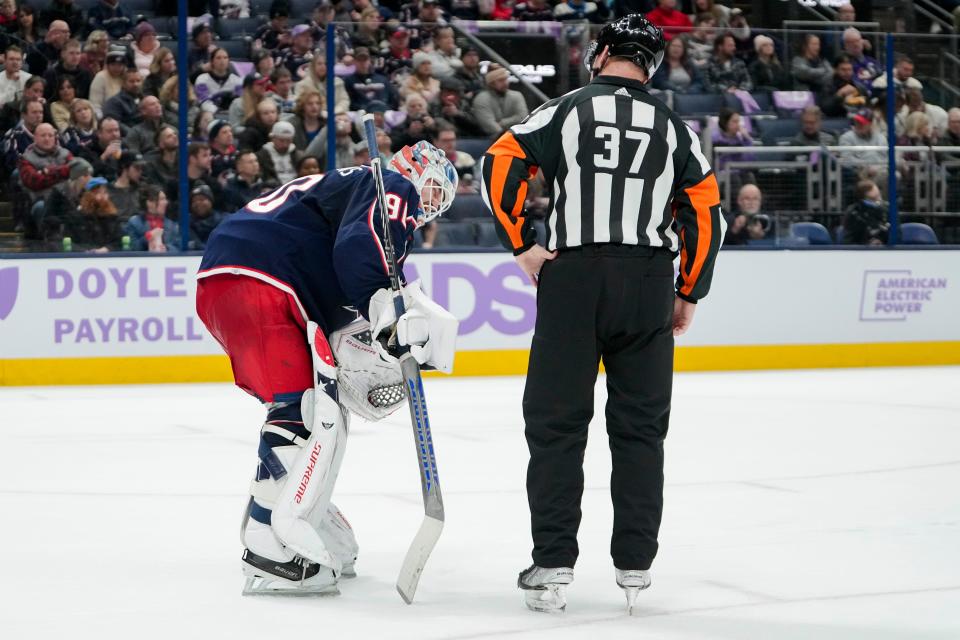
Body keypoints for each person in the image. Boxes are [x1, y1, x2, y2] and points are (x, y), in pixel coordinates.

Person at [481, 15, 723, 614]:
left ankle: (553, 563)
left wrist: (523, 244)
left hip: (575, 277)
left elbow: (499, 161)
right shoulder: (674, 126)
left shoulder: (566, 108)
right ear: (652, 65)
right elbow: (707, 211)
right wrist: (688, 290)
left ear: (604, 53)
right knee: (640, 429)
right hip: (646, 281)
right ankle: (635, 565)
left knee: (557, 424)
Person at [194, 141, 459, 595]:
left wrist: (380, 333)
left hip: (244, 275)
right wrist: (381, 299)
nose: (431, 204)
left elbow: (341, 270)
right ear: (416, 171)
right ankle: (269, 548)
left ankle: (303, 512)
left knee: (311, 405)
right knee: (306, 410)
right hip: (262, 278)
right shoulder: (389, 184)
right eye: (434, 189)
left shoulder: (353, 189)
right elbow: (360, 250)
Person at [472, 65, 528, 137]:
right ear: (491, 83)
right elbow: (490, 126)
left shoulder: (517, 95)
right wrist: (505, 136)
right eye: (500, 80)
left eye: (506, 79)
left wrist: (502, 123)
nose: (505, 83)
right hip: (490, 138)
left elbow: (522, 117)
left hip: (516, 136)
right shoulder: (481, 99)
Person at [69, 176, 122, 251]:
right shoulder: (77, 218)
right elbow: (70, 242)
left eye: (105, 193)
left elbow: (118, 241)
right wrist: (84, 250)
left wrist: (107, 249)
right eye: (98, 193)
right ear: (88, 196)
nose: (103, 197)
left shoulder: (112, 217)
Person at [125, 184, 180, 252]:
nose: (166, 202)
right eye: (161, 199)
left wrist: (167, 248)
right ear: (149, 202)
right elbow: (130, 249)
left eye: (165, 199)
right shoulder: (135, 223)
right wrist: (147, 237)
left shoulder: (172, 225)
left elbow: (179, 248)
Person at [842, 179, 888, 245]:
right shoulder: (853, 212)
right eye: (873, 199)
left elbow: (897, 235)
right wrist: (866, 243)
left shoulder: (888, 209)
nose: (879, 200)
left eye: (879, 195)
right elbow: (849, 240)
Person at [257, 120, 302, 186]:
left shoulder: (298, 155)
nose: (285, 145)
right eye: (281, 140)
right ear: (272, 138)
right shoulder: (262, 156)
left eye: (288, 141)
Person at [106, 150, 142, 221]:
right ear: (124, 167)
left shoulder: (141, 190)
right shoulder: (108, 192)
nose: (140, 172)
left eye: (141, 168)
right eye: (137, 167)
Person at [186, 183, 224, 250]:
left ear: (211, 201)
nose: (198, 203)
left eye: (202, 199)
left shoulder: (223, 221)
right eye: (194, 201)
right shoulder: (187, 223)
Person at [88, 47, 125, 113]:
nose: (117, 68)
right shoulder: (100, 77)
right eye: (113, 65)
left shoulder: (126, 77)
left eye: (120, 65)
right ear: (107, 65)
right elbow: (95, 105)